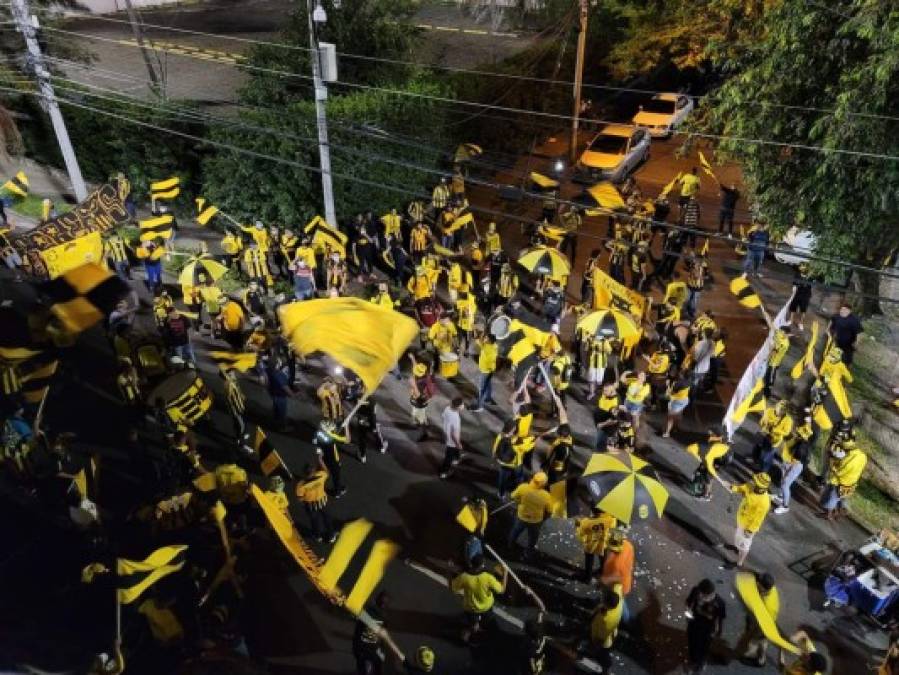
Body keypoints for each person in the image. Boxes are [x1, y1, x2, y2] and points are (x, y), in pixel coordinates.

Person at [450, 554, 507, 642]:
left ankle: (470, 632)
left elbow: (453, 589)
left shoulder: (464, 577)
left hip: (471, 608)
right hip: (486, 607)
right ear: (482, 565)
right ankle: (477, 631)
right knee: (486, 623)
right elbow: (501, 590)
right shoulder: (488, 577)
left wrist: (449, 572)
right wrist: (505, 573)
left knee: (473, 624)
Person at [726, 472, 772, 567]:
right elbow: (742, 488)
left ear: (762, 488)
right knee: (739, 539)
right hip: (742, 518)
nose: (753, 483)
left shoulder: (764, 502)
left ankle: (740, 562)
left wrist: (750, 530)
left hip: (748, 527)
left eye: (756, 483)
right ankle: (737, 547)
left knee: (745, 546)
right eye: (755, 481)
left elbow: (758, 519)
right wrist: (732, 487)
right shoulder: (752, 485)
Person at [508, 471, 553, 558]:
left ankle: (510, 545)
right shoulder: (546, 496)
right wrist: (544, 519)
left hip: (521, 517)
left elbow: (512, 496)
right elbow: (549, 511)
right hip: (536, 521)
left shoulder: (523, 488)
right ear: (543, 485)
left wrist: (518, 502)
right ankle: (528, 552)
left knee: (515, 531)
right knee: (532, 538)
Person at [685, 579, 726, 674]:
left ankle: (700, 664)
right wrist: (688, 613)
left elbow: (720, 620)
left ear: (712, 594)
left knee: (703, 648)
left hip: (707, 629)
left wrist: (718, 631)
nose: (700, 597)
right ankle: (693, 661)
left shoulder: (719, 604)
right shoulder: (696, 591)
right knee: (692, 643)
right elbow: (688, 603)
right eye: (700, 594)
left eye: (704, 596)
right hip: (693, 623)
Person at [773, 417, 813, 514]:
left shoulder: (801, 447)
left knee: (785, 484)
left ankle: (785, 506)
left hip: (793, 466)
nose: (795, 431)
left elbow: (794, 462)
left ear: (801, 435)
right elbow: (807, 426)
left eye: (798, 432)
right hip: (787, 463)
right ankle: (781, 496)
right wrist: (809, 421)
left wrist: (786, 467)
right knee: (783, 481)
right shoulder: (799, 439)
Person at [820, 437, 867, 519]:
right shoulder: (862, 456)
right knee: (842, 498)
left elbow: (839, 471)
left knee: (833, 497)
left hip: (840, 482)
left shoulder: (848, 459)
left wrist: (832, 461)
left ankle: (828, 514)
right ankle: (841, 511)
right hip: (852, 482)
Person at [742, 572, 779, 667]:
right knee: (763, 641)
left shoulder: (766, 605)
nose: (756, 583)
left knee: (753, 641)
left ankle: (750, 655)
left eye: (759, 583)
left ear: (763, 587)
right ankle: (761, 659)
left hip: (761, 626)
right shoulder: (772, 588)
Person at [685, 427, 730, 501]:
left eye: (712, 433)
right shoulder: (713, 440)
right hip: (716, 453)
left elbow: (711, 470)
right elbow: (692, 449)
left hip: (722, 459)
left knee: (708, 476)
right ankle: (700, 486)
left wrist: (721, 481)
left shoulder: (708, 457)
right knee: (702, 470)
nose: (710, 433)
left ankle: (707, 495)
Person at [296, 463, 337, 542]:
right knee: (327, 518)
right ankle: (331, 535)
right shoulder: (321, 475)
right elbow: (327, 471)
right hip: (322, 501)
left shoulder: (301, 485)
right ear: (314, 471)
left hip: (310, 505)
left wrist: (305, 500)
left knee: (314, 521)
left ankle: (318, 536)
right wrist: (320, 461)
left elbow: (300, 498)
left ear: (304, 473)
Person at [588, 583, 624, 673]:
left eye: (603, 599)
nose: (601, 598)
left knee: (602, 656)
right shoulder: (618, 601)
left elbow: (600, 638)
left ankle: (605, 670)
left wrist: (595, 647)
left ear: (606, 605)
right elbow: (618, 586)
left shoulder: (605, 619)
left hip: (605, 642)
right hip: (613, 633)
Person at [601, 529, 635, 623]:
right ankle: (627, 619)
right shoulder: (628, 545)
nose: (610, 550)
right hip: (624, 582)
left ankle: (627, 619)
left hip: (617, 586)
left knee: (619, 602)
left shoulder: (617, 564)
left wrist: (604, 580)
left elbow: (617, 576)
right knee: (619, 601)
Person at [575, 506, 617, 581]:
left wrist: (577, 525)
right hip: (602, 543)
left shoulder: (586, 522)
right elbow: (614, 523)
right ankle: (602, 571)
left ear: (593, 511)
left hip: (591, 545)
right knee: (603, 558)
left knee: (589, 561)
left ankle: (588, 578)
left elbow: (580, 534)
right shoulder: (609, 519)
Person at [353, 591, 389, 674]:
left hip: (368, 650)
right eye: (383, 603)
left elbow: (358, 631)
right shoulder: (381, 616)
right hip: (366, 650)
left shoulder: (381, 616)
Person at [314, 419, 349, 497]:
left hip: (324, 459)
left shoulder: (317, 434)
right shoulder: (332, 436)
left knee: (320, 474)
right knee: (336, 477)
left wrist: (321, 461)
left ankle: (317, 487)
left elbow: (319, 452)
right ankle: (337, 492)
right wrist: (346, 426)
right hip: (334, 461)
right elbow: (347, 440)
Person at [471, 333, 498, 412]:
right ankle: (488, 399)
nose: (484, 339)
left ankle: (480, 406)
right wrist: (476, 338)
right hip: (487, 371)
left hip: (486, 371)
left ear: (489, 341)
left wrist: (490, 370)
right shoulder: (490, 345)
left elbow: (491, 363)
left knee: (482, 389)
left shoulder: (490, 351)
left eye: (485, 338)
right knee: (488, 385)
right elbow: (482, 344)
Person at [439, 397, 464, 479]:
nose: (463, 406)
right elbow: (454, 434)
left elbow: (443, 416)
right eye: (462, 405)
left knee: (455, 450)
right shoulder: (456, 418)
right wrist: (458, 443)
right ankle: (444, 472)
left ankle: (456, 459)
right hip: (452, 440)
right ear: (458, 407)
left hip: (446, 434)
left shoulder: (447, 408)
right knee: (448, 456)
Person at [764, 327, 792, 397]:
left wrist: (766, 358)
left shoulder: (785, 344)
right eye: (780, 331)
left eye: (781, 331)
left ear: (785, 333)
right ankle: (766, 390)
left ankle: (767, 394)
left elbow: (774, 351)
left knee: (769, 379)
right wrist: (765, 315)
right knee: (768, 377)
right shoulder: (781, 335)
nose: (779, 332)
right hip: (772, 361)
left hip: (774, 363)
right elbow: (772, 326)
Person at [663, 370, 691, 438]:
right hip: (685, 400)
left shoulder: (677, 383)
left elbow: (669, 394)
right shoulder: (688, 381)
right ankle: (676, 428)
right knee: (679, 414)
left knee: (670, 417)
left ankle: (667, 432)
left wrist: (667, 385)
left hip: (676, 401)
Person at [594, 383, 621, 451]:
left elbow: (614, 420)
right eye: (603, 390)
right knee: (599, 440)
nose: (603, 392)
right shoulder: (606, 394)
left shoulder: (614, 403)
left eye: (605, 391)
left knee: (601, 443)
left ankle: (601, 453)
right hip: (600, 423)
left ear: (611, 392)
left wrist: (602, 425)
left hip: (606, 428)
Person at [788, 264, 814, 331]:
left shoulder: (810, 276)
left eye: (803, 266)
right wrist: (794, 287)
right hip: (797, 293)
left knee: (803, 310)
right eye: (801, 267)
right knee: (793, 307)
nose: (801, 268)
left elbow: (810, 284)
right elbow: (794, 283)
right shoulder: (797, 274)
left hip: (806, 295)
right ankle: (791, 320)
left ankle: (800, 323)